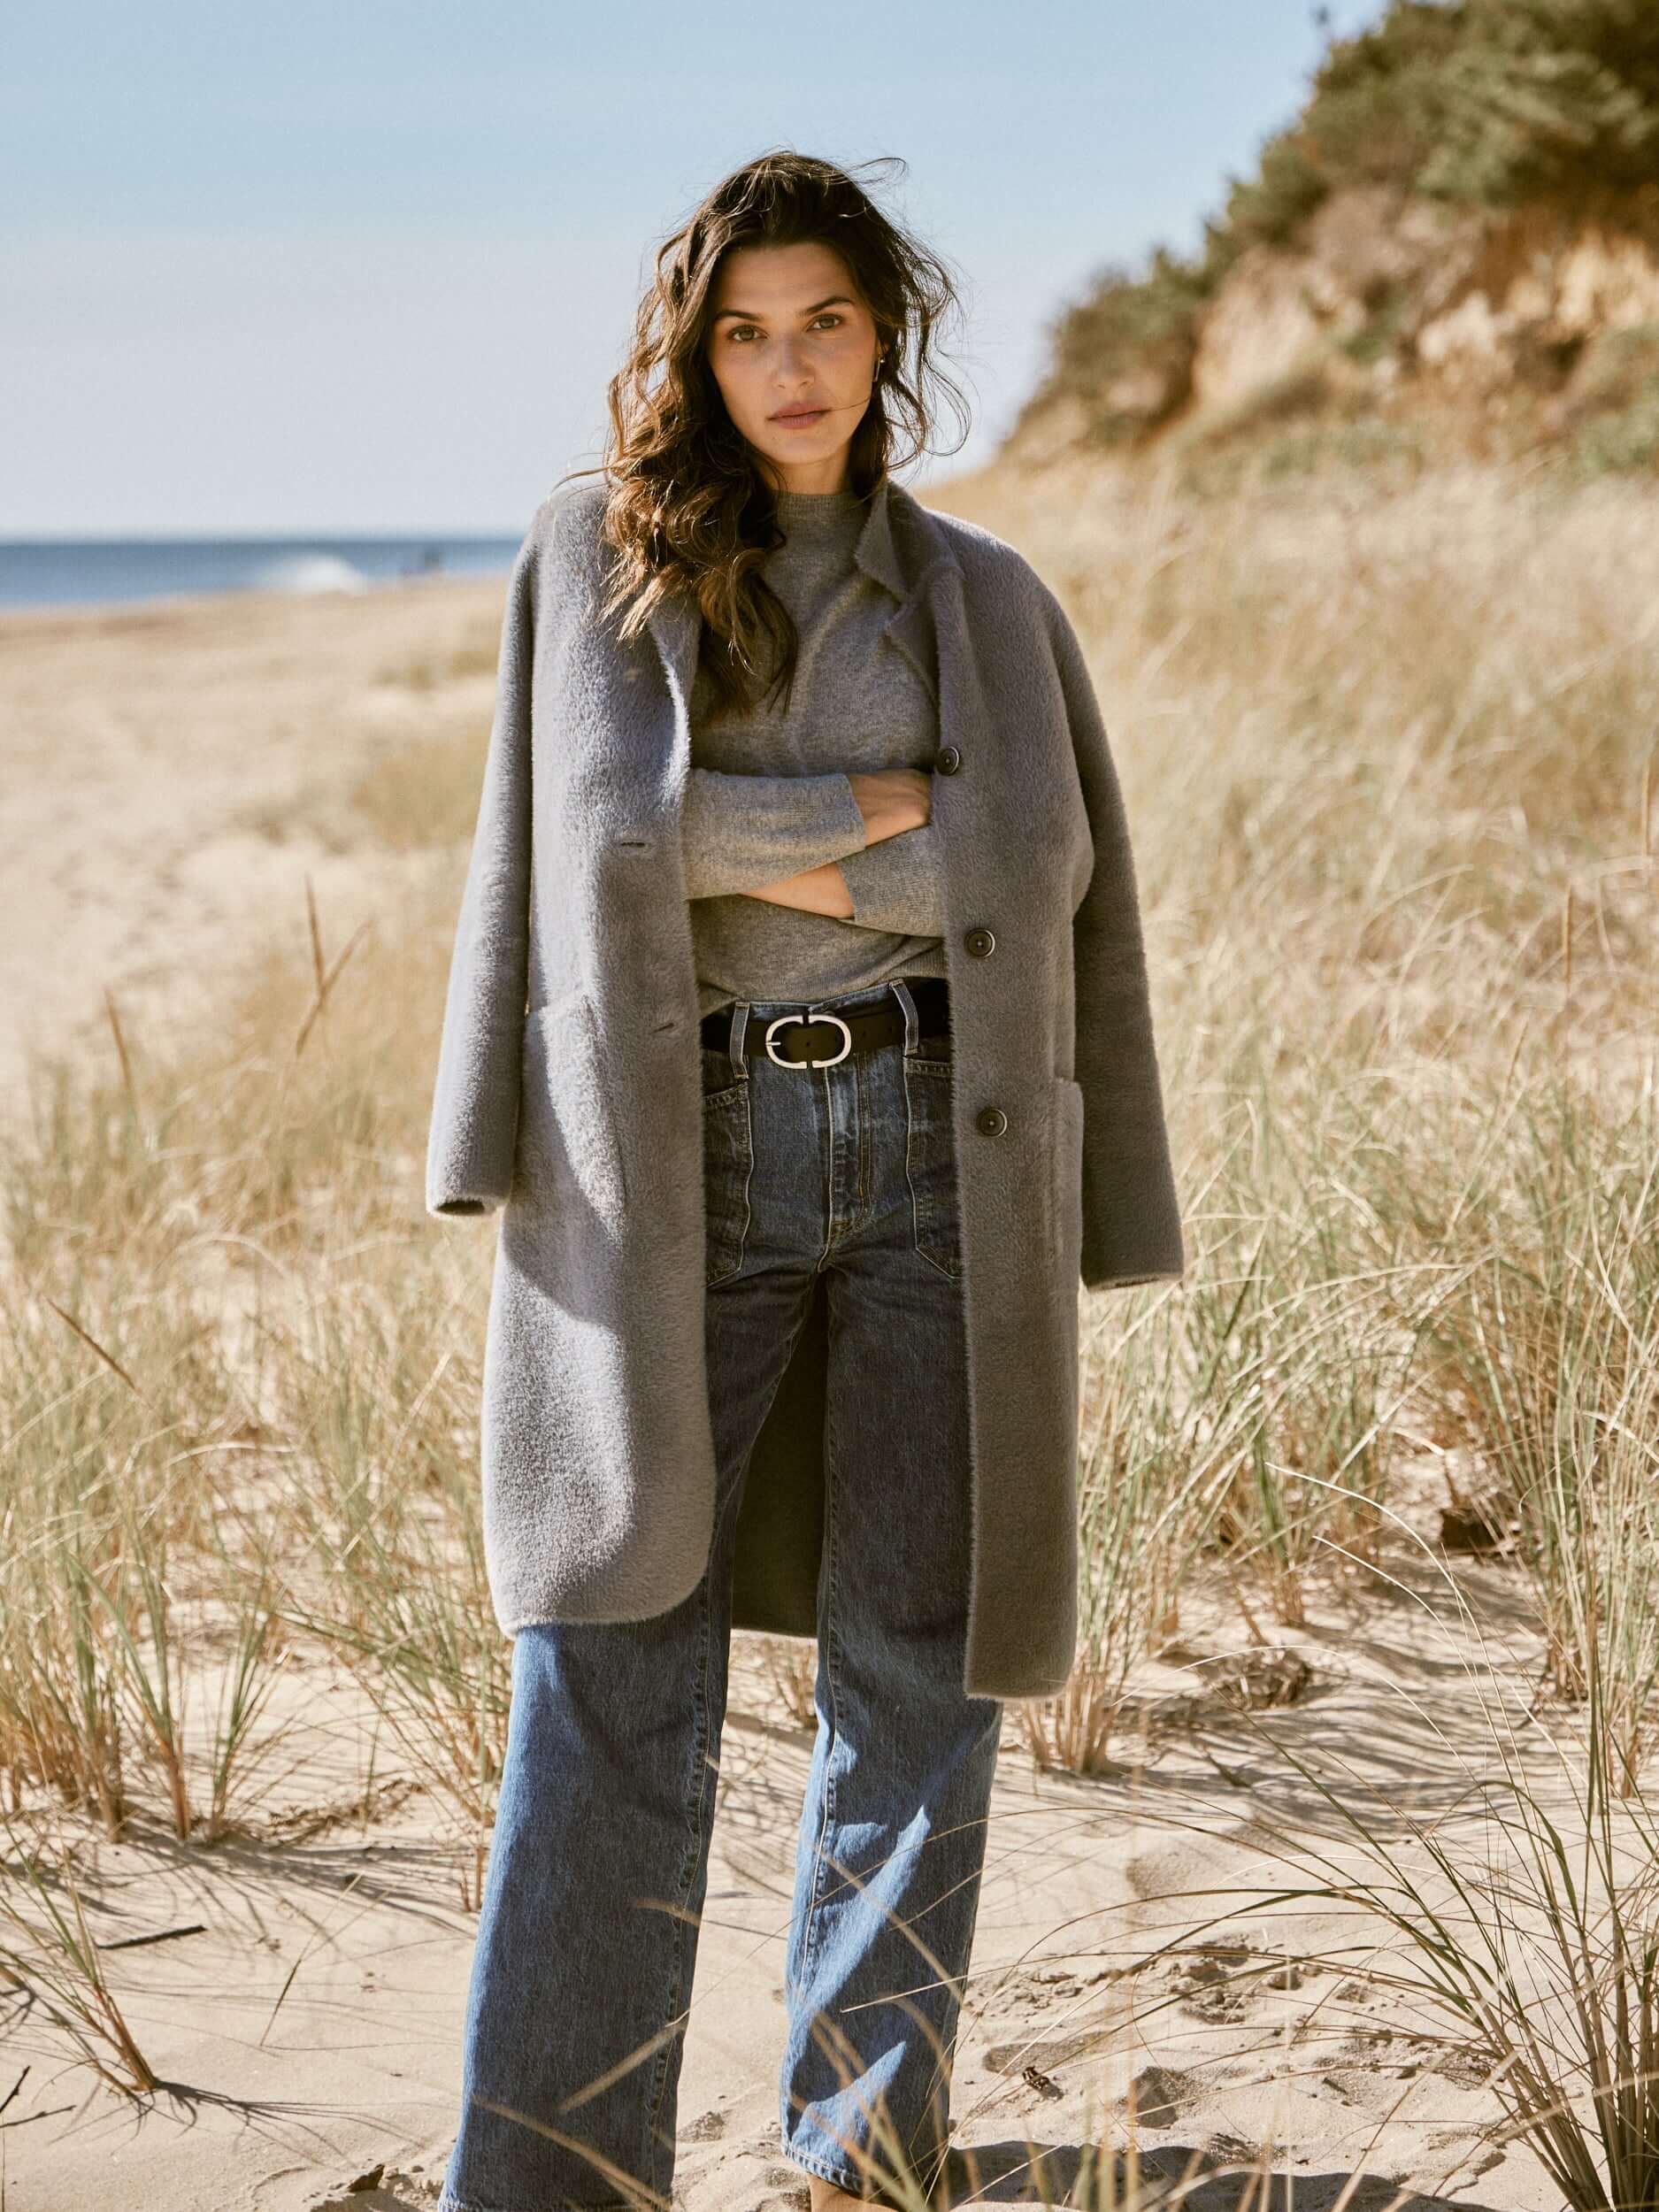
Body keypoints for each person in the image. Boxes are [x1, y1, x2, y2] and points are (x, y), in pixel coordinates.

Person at [430, 148, 1184, 2212]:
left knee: (919, 1662)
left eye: (825, 324)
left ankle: (864, 2157)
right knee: (612, 1650)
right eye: (745, 330)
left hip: (948, 1153)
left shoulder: (989, 596)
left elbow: (1032, 867)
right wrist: (878, 814)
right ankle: (551, 2177)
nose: (787, 367)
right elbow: (596, 850)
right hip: (688, 1147)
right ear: (697, 348)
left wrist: (748, 834)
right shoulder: (593, 555)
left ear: (886, 341)